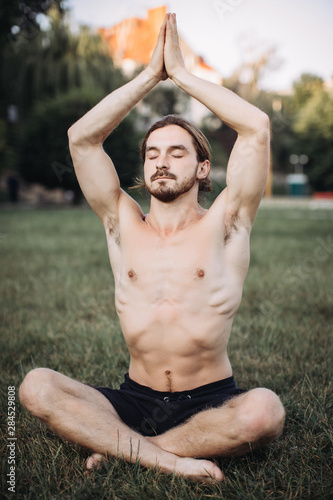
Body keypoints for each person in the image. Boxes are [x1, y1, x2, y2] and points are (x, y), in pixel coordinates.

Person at [19, 13, 285, 483]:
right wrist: (148, 76)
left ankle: (129, 450)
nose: (162, 162)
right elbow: (81, 139)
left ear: (203, 169)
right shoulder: (121, 222)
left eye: (178, 152)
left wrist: (180, 74)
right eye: (153, 153)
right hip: (133, 396)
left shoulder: (228, 222)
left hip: (209, 398)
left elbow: (257, 128)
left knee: (264, 412)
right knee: (36, 387)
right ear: (143, 166)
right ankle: (169, 461)